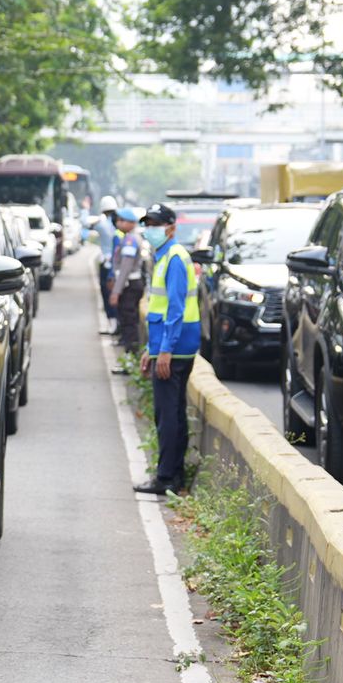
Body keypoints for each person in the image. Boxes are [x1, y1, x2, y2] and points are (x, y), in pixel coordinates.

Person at [136, 202, 199, 495]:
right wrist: (152, 348)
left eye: (156, 224)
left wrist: (164, 351)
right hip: (174, 346)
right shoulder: (166, 256)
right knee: (174, 411)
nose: (150, 230)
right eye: (147, 224)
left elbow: (174, 309)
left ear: (171, 228)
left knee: (168, 415)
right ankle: (175, 476)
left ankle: (166, 478)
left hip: (174, 349)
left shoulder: (173, 258)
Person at [108, 207, 146, 361]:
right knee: (128, 321)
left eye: (121, 220)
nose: (118, 223)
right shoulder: (128, 237)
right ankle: (130, 356)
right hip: (130, 284)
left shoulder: (130, 240)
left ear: (130, 223)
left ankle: (131, 358)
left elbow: (125, 268)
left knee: (128, 322)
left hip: (129, 286)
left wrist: (116, 291)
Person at [95, 194, 120, 331]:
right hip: (114, 264)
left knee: (107, 293)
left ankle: (112, 323)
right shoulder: (117, 225)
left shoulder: (102, 224)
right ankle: (115, 324)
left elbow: (87, 224)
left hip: (107, 263)